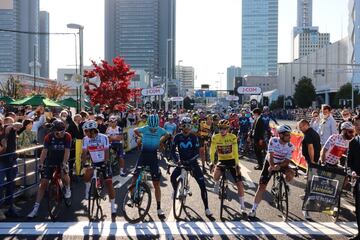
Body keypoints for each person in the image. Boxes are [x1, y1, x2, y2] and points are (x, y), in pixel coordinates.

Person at [27, 120, 72, 218]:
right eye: (59, 132)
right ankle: (35, 208)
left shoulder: (67, 136)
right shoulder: (49, 137)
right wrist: (41, 163)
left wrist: (64, 163)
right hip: (50, 160)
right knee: (43, 183)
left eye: (63, 131)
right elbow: (44, 151)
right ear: (54, 131)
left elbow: (67, 151)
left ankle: (68, 188)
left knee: (64, 175)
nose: (61, 134)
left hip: (62, 159)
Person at [249, 125, 295, 218]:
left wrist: (279, 166)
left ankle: (286, 185)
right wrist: (272, 166)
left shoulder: (291, 146)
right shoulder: (273, 140)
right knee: (262, 186)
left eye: (289, 135)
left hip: (282, 163)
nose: (289, 137)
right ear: (280, 135)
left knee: (291, 173)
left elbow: (287, 161)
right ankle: (253, 209)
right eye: (287, 135)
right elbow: (270, 155)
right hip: (270, 162)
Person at [171, 117, 212, 217]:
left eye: (189, 125)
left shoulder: (194, 137)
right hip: (182, 162)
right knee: (172, 178)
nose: (188, 128)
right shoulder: (177, 137)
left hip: (193, 163)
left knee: (202, 185)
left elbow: (197, 152)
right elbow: (172, 150)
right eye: (185, 125)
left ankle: (207, 208)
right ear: (181, 126)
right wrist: (177, 160)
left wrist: (190, 161)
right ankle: (177, 190)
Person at [131, 114, 170, 218]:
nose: (153, 130)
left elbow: (167, 135)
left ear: (157, 125)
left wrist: (160, 141)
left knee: (156, 183)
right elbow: (135, 130)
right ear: (148, 125)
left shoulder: (160, 130)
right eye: (151, 128)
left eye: (155, 128)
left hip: (153, 157)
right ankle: (132, 198)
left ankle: (159, 208)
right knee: (134, 177)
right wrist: (141, 137)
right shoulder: (145, 128)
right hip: (143, 156)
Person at [81, 120, 117, 219]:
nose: (85, 133)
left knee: (109, 183)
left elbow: (106, 151)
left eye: (86, 131)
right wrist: (84, 163)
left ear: (92, 131)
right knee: (87, 174)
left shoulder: (103, 137)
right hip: (94, 161)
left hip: (104, 161)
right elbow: (84, 153)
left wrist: (105, 163)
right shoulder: (85, 139)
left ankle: (113, 205)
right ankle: (88, 189)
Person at [210, 119, 247, 214]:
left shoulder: (232, 137)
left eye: (224, 129)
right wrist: (212, 162)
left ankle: (242, 205)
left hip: (231, 160)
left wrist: (237, 164)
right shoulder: (215, 137)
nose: (222, 130)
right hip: (222, 160)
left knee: (239, 184)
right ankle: (217, 183)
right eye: (220, 128)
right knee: (215, 175)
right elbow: (212, 150)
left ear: (228, 129)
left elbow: (235, 151)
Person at [297, 119, 321, 219]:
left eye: (301, 127)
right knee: (310, 180)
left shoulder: (308, 134)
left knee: (312, 182)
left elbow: (310, 148)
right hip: (314, 161)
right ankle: (307, 193)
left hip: (312, 162)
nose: (300, 129)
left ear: (306, 125)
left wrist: (312, 161)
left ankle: (306, 209)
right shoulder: (314, 132)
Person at [348, 115, 360, 240]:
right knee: (358, 208)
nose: (358, 127)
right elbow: (349, 163)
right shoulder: (353, 142)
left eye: (359, 124)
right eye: (356, 124)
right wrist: (351, 172)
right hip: (358, 181)